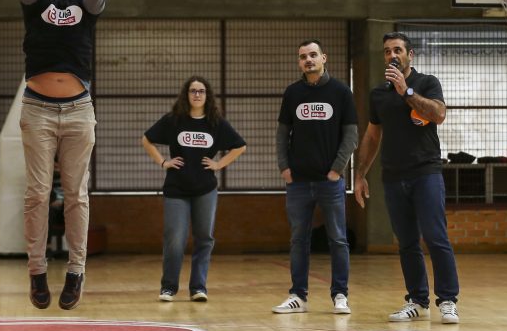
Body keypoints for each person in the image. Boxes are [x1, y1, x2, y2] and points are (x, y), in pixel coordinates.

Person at [19, 0, 112, 310]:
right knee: (38, 194)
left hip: (78, 109)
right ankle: (37, 270)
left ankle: (76, 271)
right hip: (37, 109)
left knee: (76, 194)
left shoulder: (87, 4)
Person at [354, 32, 461, 324]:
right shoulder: (378, 94)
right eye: (387, 51)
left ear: (410, 54)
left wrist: (407, 93)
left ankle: (448, 300)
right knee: (407, 243)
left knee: (436, 238)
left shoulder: (427, 83)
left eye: (398, 50)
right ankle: (418, 300)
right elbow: (373, 134)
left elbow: (439, 114)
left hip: (425, 173)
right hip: (393, 176)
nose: (392, 55)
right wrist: (360, 174)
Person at [271, 40, 358, 315]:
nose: (308, 60)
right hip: (297, 182)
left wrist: (337, 169)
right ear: (299, 62)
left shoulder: (341, 91)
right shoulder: (292, 93)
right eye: (302, 57)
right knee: (298, 239)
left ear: (324, 58)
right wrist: (285, 168)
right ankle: (298, 295)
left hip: (329, 182)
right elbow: (282, 134)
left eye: (312, 55)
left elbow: (351, 135)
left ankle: (340, 295)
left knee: (338, 239)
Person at [142, 76, 246, 302]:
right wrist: (163, 162)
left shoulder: (216, 123)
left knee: (204, 238)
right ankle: (168, 287)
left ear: (207, 96)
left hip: (205, 190)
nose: (197, 95)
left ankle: (198, 287)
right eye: (192, 91)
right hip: (176, 189)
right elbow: (147, 139)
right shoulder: (174, 120)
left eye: (201, 91)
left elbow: (240, 146)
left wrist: (219, 164)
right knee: (175, 239)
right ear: (186, 95)